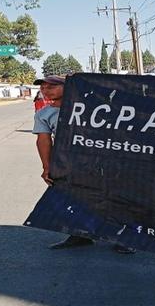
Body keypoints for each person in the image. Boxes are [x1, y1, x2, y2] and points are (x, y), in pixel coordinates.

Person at [32, 75, 135, 254]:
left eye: (52, 86)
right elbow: (43, 140)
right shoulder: (44, 114)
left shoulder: (91, 108)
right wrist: (47, 166)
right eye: (43, 87)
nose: (46, 89)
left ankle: (122, 237)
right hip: (68, 165)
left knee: (110, 198)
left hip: (100, 162)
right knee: (74, 200)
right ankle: (80, 235)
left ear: (69, 87)